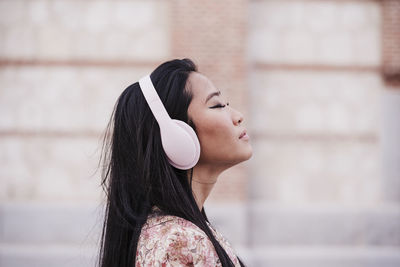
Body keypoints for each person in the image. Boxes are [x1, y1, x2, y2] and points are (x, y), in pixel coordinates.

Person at [97, 58, 252, 267]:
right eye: (217, 105)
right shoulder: (181, 242)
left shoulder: (165, 231)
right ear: (177, 137)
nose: (238, 116)